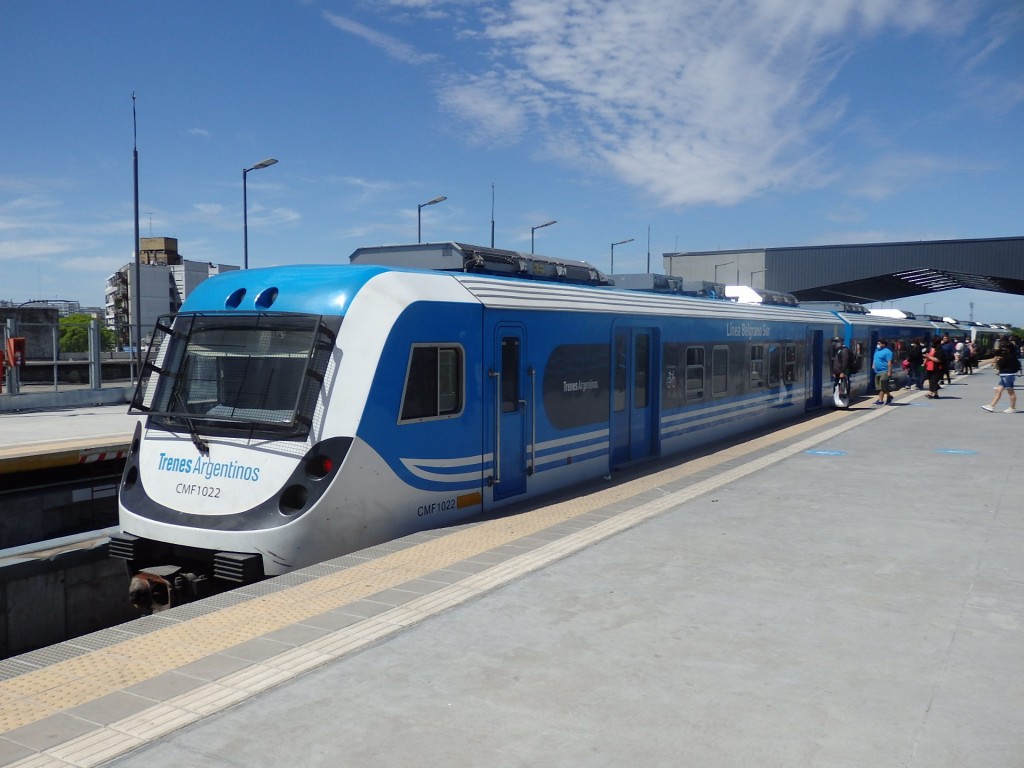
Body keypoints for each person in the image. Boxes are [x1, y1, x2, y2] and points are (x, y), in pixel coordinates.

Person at [982, 337, 1022, 413]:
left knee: (1010, 392)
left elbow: (999, 365)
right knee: (998, 390)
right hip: (1004, 374)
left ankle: (1012, 407)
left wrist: (997, 360)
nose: (1002, 350)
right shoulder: (1007, 355)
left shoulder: (1009, 356)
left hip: (1008, 375)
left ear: (1008, 349)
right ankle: (991, 406)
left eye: (1004, 348)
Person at [830, 337, 853, 407]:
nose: (835, 344)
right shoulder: (838, 350)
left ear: (841, 342)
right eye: (834, 342)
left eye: (837, 342)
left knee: (843, 387)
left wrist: (843, 372)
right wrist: (834, 372)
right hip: (837, 373)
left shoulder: (844, 350)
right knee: (837, 387)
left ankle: (843, 403)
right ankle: (837, 402)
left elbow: (845, 362)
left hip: (842, 373)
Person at [872, 338, 894, 405]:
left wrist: (889, 371)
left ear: (883, 344)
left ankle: (880, 400)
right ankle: (889, 396)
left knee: (882, 386)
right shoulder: (877, 350)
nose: (877, 345)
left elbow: (889, 362)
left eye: (879, 343)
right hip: (877, 371)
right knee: (879, 387)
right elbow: (875, 358)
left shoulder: (888, 352)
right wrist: (873, 365)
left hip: (884, 371)